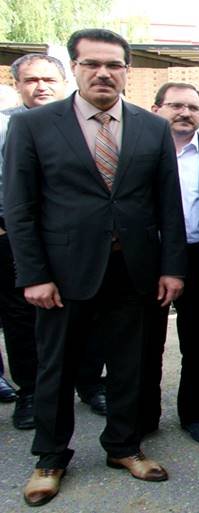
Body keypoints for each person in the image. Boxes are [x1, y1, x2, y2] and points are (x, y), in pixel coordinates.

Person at [5, 28, 186, 506]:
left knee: (130, 365)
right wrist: (34, 275)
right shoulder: (35, 126)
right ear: (76, 69)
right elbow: (19, 208)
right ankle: (49, 457)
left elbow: (169, 204)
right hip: (61, 276)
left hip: (135, 270)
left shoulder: (151, 127)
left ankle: (123, 446)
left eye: (114, 65)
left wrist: (173, 268)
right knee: (55, 369)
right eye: (92, 64)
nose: (104, 73)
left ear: (127, 71)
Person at [149, 82, 199, 444]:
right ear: (156, 108)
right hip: (150, 259)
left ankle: (194, 414)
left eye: (193, 107)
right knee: (146, 343)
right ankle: (144, 415)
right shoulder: (141, 152)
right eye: (176, 105)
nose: (185, 113)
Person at [0, 54, 69, 430]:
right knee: (22, 318)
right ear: (17, 86)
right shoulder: (9, 126)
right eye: (31, 80)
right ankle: (30, 392)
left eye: (48, 79)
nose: (40, 86)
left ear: (64, 82)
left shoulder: (85, 123)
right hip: (16, 238)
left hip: (71, 241)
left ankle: (90, 384)